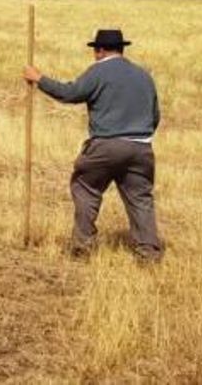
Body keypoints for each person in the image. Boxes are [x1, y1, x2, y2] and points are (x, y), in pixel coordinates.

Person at [23, 29, 163, 262]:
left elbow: (71, 93)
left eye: (94, 51)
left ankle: (82, 247)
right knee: (140, 199)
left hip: (105, 145)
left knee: (85, 187)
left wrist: (39, 79)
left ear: (99, 51)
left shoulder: (99, 72)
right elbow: (155, 116)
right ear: (121, 49)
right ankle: (148, 252)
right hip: (142, 147)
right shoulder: (143, 75)